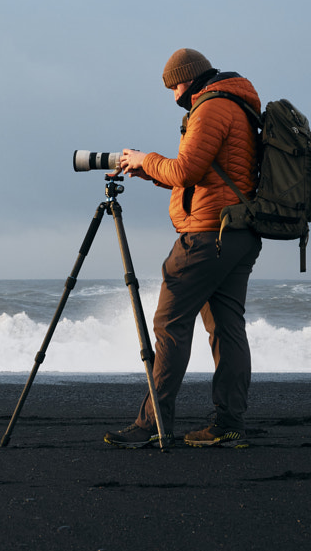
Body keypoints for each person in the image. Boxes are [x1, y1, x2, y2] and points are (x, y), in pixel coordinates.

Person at [104, 48, 262, 449]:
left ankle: (152, 423)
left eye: (173, 84)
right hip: (238, 233)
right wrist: (146, 171)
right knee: (227, 329)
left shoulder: (212, 107)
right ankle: (229, 424)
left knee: (169, 326)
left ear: (187, 78)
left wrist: (146, 158)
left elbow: (186, 170)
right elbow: (203, 175)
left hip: (207, 235)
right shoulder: (238, 105)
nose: (173, 92)